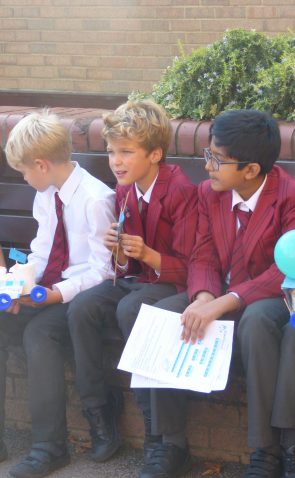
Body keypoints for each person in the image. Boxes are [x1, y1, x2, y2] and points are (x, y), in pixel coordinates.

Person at [145, 109, 295, 478]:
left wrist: (227, 301)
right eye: (208, 154)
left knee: (257, 323)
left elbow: (288, 270)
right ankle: (170, 441)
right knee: (163, 314)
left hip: (269, 298)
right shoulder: (209, 194)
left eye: (217, 159)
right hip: (218, 293)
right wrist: (203, 298)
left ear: (251, 170)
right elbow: (203, 252)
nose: (207, 165)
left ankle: (266, 449)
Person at [66, 100, 197, 466]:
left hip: (174, 285)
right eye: (111, 151)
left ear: (155, 153)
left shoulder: (179, 190)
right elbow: (124, 267)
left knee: (132, 309)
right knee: (83, 309)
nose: (116, 161)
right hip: (139, 281)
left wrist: (150, 255)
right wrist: (120, 253)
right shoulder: (125, 189)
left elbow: (192, 266)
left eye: (126, 152)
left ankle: (161, 433)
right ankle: (99, 412)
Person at [1, 110, 115, 477]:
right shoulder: (46, 194)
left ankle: (49, 448)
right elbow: (40, 250)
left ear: (41, 164)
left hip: (82, 298)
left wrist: (54, 294)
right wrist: (16, 285)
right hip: (45, 290)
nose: (23, 177)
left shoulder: (96, 199)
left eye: (23, 171)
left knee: (40, 334)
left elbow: (104, 269)